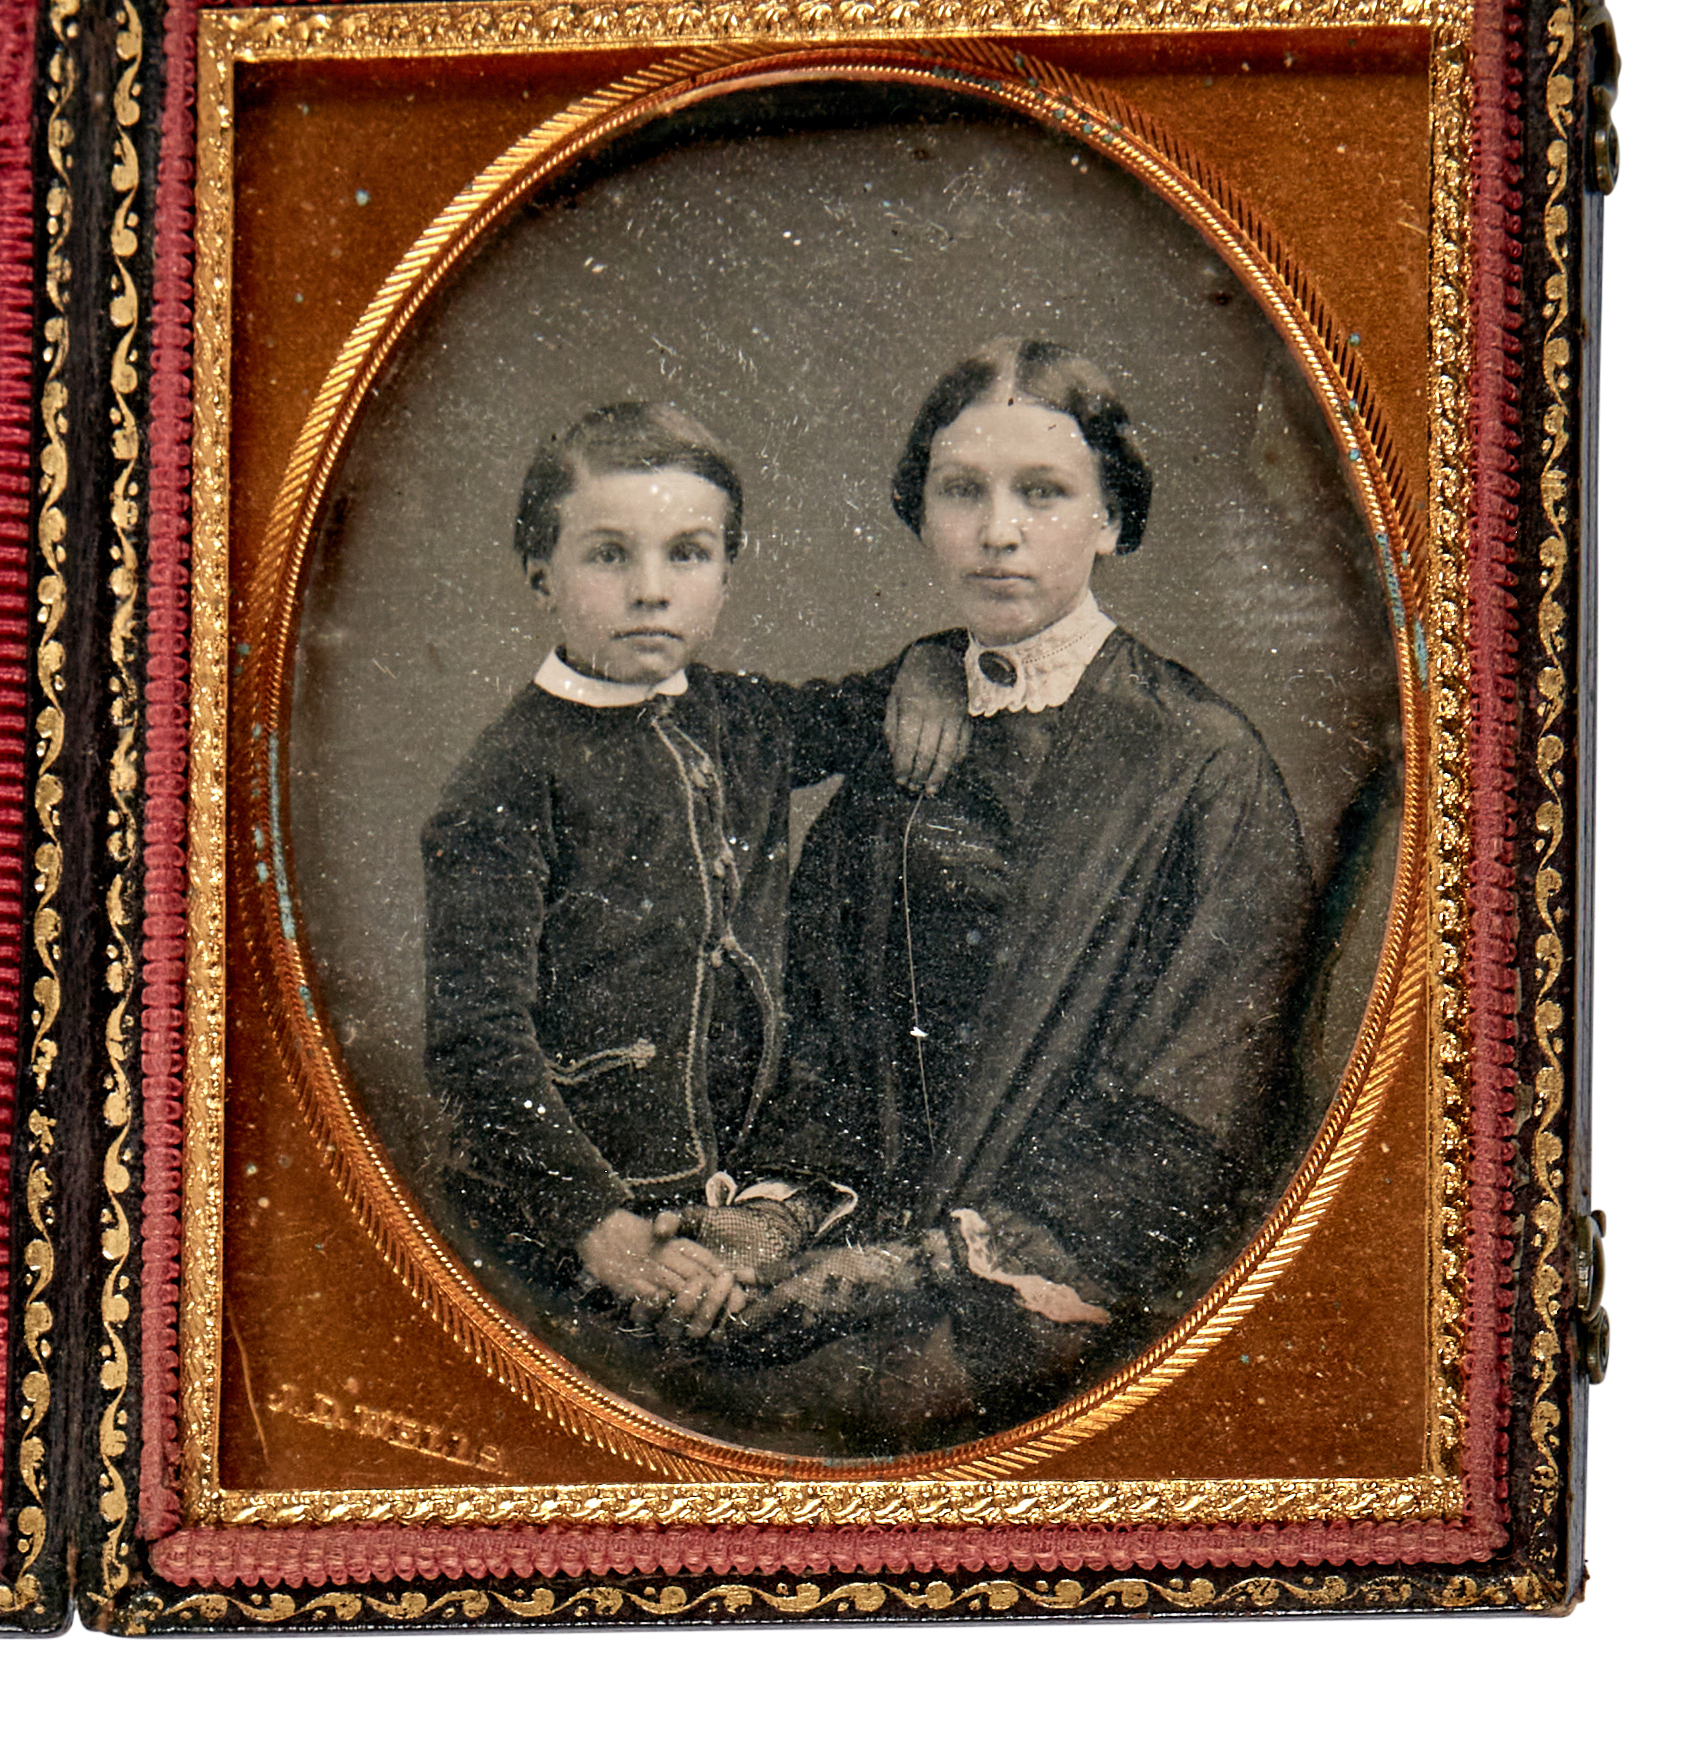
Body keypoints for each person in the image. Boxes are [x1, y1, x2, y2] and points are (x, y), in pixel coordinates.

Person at [720, 340, 1313, 1452]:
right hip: (848, 1285)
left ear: (1112, 519)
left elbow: (1203, 1107)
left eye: (1043, 492)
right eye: (963, 491)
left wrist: (927, 1262)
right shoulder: (905, 740)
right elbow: (826, 1058)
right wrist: (780, 1211)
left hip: (1068, 1308)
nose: (998, 531)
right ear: (921, 513)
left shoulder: (1199, 761)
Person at [422, 401, 963, 1375]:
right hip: (580, 1217)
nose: (650, 590)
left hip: (736, 1196)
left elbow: (854, 707)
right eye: (608, 555)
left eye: (687, 553)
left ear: (724, 572)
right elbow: (477, 1041)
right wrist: (595, 1221)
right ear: (539, 570)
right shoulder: (508, 781)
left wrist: (928, 664)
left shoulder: (740, 717)